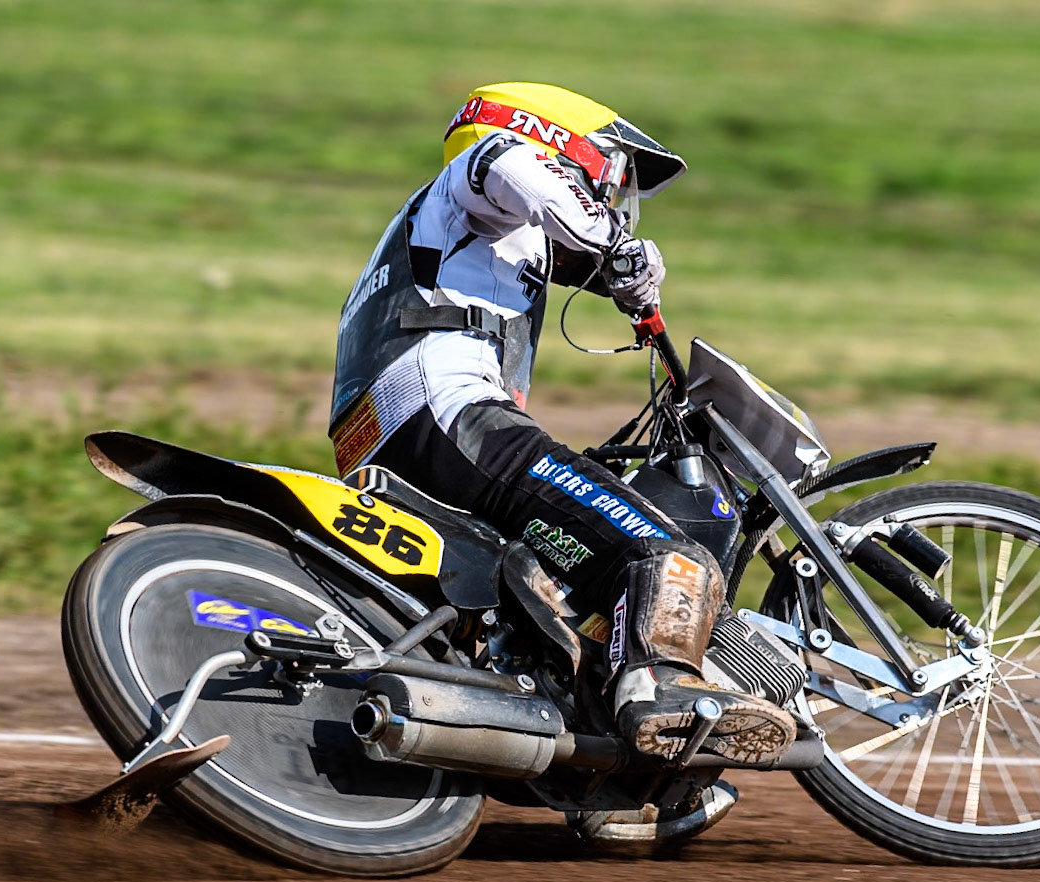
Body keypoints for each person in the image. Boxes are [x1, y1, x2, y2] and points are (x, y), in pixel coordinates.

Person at [328, 83, 794, 766]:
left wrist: (618, 278)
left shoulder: (459, 239)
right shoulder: (480, 171)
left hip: (398, 434)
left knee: (569, 562)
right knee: (663, 551)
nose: (615, 202)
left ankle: (610, 772)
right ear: (564, 147)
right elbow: (517, 170)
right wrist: (612, 242)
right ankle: (662, 692)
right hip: (449, 416)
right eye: (612, 181)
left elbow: (560, 236)